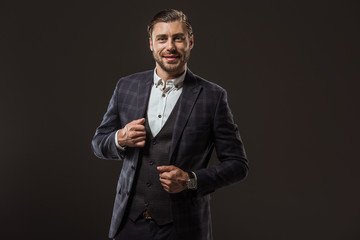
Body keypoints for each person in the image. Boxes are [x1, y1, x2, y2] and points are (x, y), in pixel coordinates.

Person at [92, 9, 248, 240]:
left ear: (190, 42)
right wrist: (119, 138)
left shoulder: (213, 97)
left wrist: (191, 180)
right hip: (128, 225)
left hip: (182, 228)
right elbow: (98, 144)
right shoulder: (126, 87)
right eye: (162, 38)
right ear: (151, 44)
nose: (170, 46)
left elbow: (238, 164)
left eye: (178, 38)